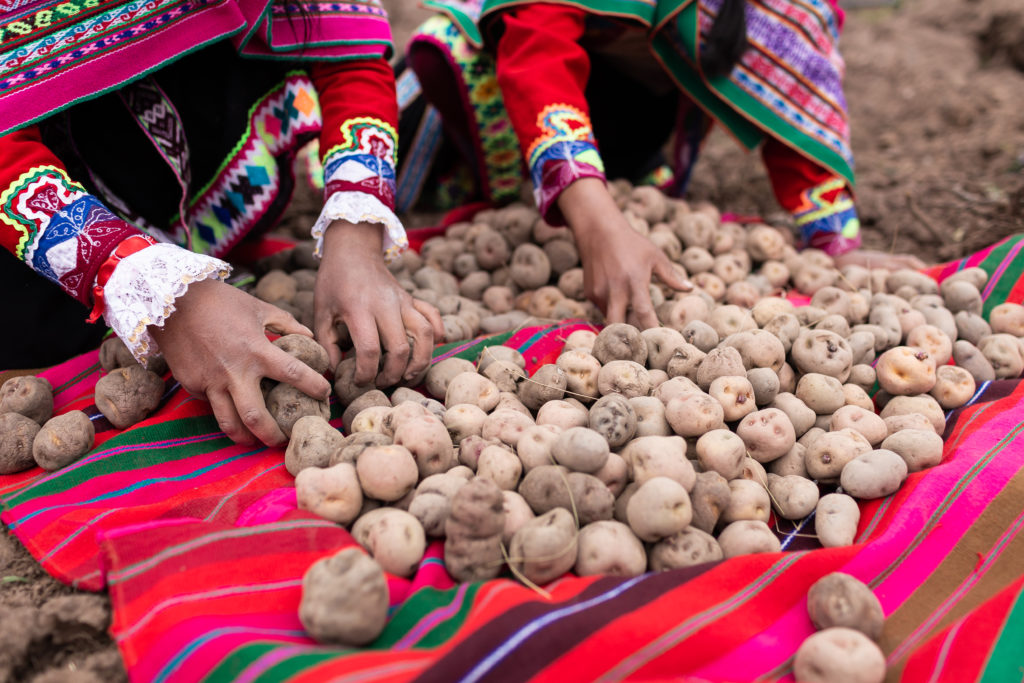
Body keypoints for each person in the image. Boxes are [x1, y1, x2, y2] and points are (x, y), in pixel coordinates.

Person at [0, 0, 441, 446]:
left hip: (216, 168)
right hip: (36, 252)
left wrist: (356, 230)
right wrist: (165, 293)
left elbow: (349, 43)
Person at [405, 0, 925, 326]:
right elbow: (536, 51)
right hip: (506, 82)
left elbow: (801, 76)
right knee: (453, 51)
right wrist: (597, 225)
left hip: (630, 105)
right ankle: (479, 176)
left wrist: (833, 242)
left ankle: (616, 173)